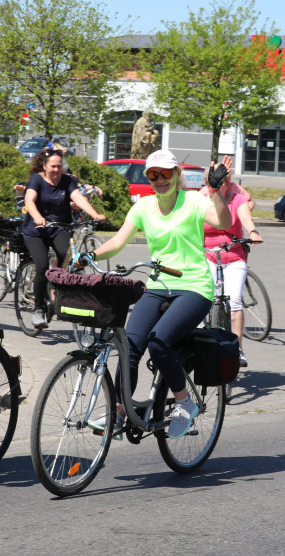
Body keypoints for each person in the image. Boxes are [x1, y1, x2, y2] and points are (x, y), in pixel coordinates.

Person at [78, 148, 232, 438]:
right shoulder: (143, 207)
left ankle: (185, 403)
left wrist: (216, 190)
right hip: (158, 285)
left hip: (194, 286)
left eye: (165, 173)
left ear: (176, 175)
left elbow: (224, 222)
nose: (159, 179)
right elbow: (118, 241)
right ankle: (120, 412)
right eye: (153, 174)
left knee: (160, 342)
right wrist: (89, 256)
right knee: (130, 348)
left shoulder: (194, 201)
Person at [22, 146, 106, 329]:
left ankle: (52, 290)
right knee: (42, 266)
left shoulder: (67, 181)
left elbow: (79, 198)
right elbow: (29, 200)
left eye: (59, 166)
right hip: (36, 230)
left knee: (63, 256)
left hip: (59, 226)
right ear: (44, 166)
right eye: (52, 166)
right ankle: (38, 309)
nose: (56, 170)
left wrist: (95, 214)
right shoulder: (37, 179)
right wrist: (37, 216)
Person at [199, 165, 263, 367]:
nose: (219, 185)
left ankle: (238, 348)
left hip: (234, 255)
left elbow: (246, 218)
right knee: (202, 299)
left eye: (223, 181)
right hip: (207, 255)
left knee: (234, 301)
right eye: (214, 182)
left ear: (229, 183)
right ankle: (198, 342)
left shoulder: (238, 200)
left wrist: (252, 232)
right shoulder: (202, 199)